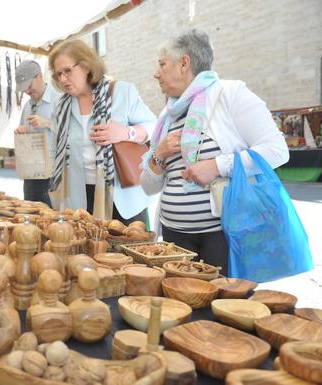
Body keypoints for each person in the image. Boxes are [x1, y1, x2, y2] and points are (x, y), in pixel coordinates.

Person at [140, 29, 289, 274]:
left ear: (184, 63)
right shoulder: (168, 115)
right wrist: (159, 154)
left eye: (162, 64)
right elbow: (148, 187)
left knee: (221, 306)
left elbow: (277, 150)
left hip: (222, 237)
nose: (156, 73)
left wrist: (217, 166)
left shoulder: (230, 95)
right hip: (173, 237)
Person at [48, 40, 156, 224]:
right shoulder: (61, 105)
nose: (63, 79)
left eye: (67, 71)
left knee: (129, 249)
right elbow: (54, 151)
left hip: (123, 199)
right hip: (79, 199)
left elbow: (154, 126)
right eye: (58, 74)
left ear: (86, 66)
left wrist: (125, 133)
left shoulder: (122, 92)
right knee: (87, 251)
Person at [14, 60, 62, 207]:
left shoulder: (59, 101)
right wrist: (21, 132)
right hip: (30, 173)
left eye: (29, 86)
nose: (27, 91)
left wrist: (47, 123)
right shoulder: (27, 106)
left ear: (40, 76)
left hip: (53, 175)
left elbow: (72, 134)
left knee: (52, 222)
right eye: (24, 88)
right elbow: (24, 132)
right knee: (31, 217)